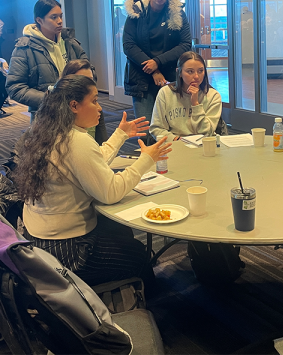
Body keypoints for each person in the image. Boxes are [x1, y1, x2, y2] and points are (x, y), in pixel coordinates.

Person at [15, 75, 172, 286]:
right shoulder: (76, 141)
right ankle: (150, 304)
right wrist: (147, 159)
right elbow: (111, 192)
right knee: (138, 256)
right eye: (95, 100)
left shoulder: (47, 132)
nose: (100, 108)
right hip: (66, 251)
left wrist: (120, 135)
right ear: (74, 106)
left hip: (39, 239)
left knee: (120, 231)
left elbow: (89, 162)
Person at [122, 0, 192, 137]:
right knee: (147, 131)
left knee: (172, 129)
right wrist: (153, 69)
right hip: (141, 78)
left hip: (169, 78)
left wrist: (157, 63)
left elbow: (185, 44)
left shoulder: (177, 13)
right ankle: (150, 164)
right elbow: (128, 45)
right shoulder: (136, 11)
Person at [6, 0, 89, 120]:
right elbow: (15, 87)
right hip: (46, 117)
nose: (60, 21)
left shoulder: (70, 42)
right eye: (54, 17)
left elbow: (89, 70)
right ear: (39, 20)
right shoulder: (24, 48)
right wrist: (50, 98)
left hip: (77, 111)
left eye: (61, 16)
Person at [150, 51, 222, 141]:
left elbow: (206, 132)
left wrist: (195, 103)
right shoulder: (165, 92)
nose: (196, 76)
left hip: (203, 145)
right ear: (179, 72)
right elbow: (156, 128)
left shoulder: (213, 95)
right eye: (190, 71)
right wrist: (176, 140)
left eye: (200, 71)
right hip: (174, 144)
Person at [61, 59, 108, 144]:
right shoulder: (55, 115)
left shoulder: (95, 109)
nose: (88, 85)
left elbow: (102, 144)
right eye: (82, 80)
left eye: (90, 80)